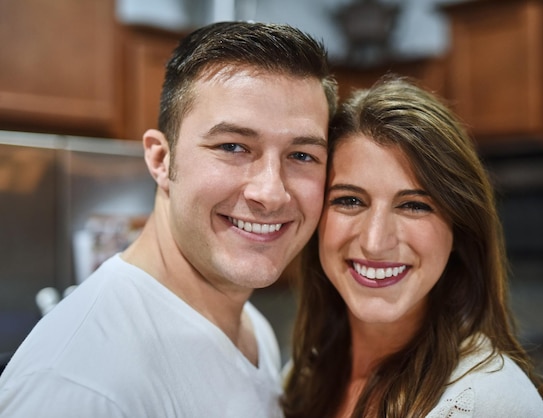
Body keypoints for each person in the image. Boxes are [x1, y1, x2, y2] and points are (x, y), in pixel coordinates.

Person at [0, 21, 337, 417]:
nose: (271, 192)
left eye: (301, 155)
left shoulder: (250, 325)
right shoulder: (77, 384)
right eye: (233, 146)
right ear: (161, 159)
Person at [282, 75, 543, 418]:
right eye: (350, 200)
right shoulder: (300, 377)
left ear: (460, 230)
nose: (375, 242)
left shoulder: (489, 400)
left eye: (414, 205)